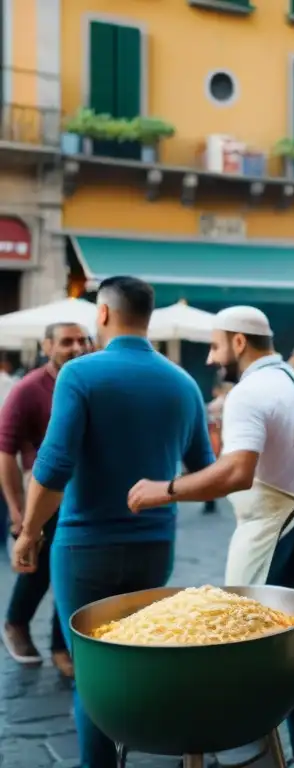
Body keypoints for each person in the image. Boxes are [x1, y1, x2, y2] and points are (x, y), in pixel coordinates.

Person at [127, 306, 294, 768]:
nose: (210, 359)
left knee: (246, 652)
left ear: (238, 342)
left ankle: (245, 756)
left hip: (272, 538)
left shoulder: (249, 393)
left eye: (214, 346)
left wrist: (163, 490)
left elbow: (236, 472)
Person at [11, 276, 215, 768]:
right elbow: (203, 471)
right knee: (139, 655)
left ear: (102, 315)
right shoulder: (183, 382)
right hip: (154, 547)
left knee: (93, 672)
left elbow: (53, 466)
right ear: (149, 317)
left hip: (85, 549)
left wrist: (29, 531)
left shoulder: (80, 376)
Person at [0, 322, 87, 676]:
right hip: (45, 491)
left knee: (71, 569)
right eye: (66, 341)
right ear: (46, 346)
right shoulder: (28, 389)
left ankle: (59, 645)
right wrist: (18, 511)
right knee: (37, 571)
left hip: (83, 494)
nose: (77, 347)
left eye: (83, 340)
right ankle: (15, 624)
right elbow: (5, 453)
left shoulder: (88, 381)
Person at [203, 378, 234, 514]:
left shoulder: (215, 404)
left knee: (214, 461)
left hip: (215, 433)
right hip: (222, 433)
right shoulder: (228, 401)